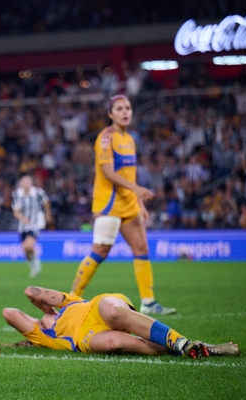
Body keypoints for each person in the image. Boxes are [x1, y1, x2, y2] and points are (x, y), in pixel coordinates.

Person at [69, 94, 176, 315]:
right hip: (108, 204)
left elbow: (130, 174)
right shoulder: (106, 138)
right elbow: (107, 172)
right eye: (119, 109)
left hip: (129, 204)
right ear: (110, 114)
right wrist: (137, 190)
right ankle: (71, 299)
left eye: (128, 108)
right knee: (100, 251)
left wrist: (139, 202)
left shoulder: (130, 139)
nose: (125, 112)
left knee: (142, 248)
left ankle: (148, 302)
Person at [3, 286, 240, 357]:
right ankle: (196, 348)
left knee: (116, 314)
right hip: (85, 338)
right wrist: (41, 318)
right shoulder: (43, 335)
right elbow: (9, 313)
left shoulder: (69, 304)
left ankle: (181, 342)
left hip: (97, 308)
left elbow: (30, 291)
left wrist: (42, 305)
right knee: (115, 342)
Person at [11, 174, 53, 277]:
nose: (26, 184)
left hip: (36, 223)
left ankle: (36, 264)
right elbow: (16, 211)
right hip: (23, 225)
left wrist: (47, 214)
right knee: (25, 251)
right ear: (20, 183)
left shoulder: (38, 193)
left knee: (28, 245)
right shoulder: (17, 195)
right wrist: (23, 218)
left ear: (31, 183)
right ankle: (33, 266)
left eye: (28, 181)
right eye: (23, 181)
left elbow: (46, 202)